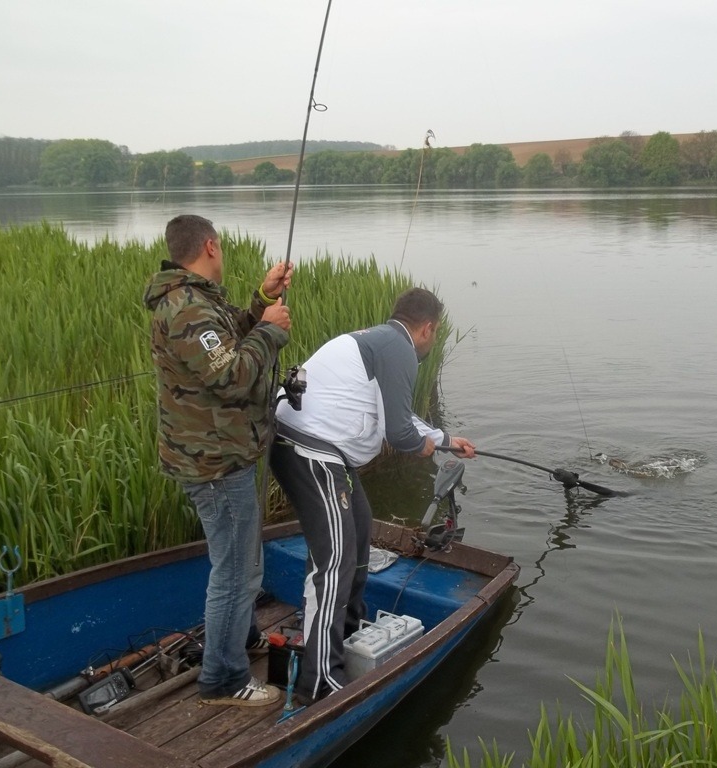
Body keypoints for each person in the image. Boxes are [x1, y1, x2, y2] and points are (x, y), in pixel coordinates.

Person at [271, 287, 476, 703]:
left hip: (324, 454)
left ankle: (345, 634)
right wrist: (424, 447)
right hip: (310, 453)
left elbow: (397, 414)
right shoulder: (400, 348)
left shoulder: (380, 338)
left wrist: (446, 438)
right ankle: (318, 679)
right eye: (434, 336)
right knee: (333, 564)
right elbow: (400, 434)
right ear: (428, 328)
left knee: (359, 532)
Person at [143, 214, 292, 707]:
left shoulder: (194, 300)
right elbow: (233, 376)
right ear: (210, 246)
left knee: (242, 561)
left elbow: (225, 346)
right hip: (214, 464)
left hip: (221, 454)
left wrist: (263, 301)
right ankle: (223, 680)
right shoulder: (186, 308)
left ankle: (242, 638)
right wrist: (271, 332)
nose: (222, 254)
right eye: (222, 247)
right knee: (234, 571)